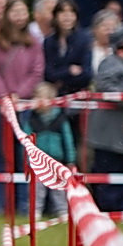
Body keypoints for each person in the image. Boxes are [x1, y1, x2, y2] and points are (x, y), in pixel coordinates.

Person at [0, 0, 45, 214]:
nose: (19, 16)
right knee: (1, 154)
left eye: (22, 12)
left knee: (23, 155)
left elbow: (36, 72)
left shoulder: (34, 42)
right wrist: (4, 96)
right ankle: (1, 203)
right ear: (7, 14)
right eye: (15, 11)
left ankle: (23, 203)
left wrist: (19, 95)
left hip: (24, 106)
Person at [88, 23, 123, 213]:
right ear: (122, 42)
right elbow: (104, 86)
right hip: (110, 134)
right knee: (109, 171)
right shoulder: (111, 62)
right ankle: (107, 209)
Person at [29, 83, 75, 219]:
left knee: (59, 189)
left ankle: (62, 212)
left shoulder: (60, 119)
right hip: (38, 160)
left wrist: (71, 160)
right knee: (37, 189)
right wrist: (27, 160)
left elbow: (68, 140)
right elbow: (26, 141)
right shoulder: (31, 119)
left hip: (57, 160)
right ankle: (36, 212)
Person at [42, 0, 93, 94]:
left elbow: (86, 74)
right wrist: (68, 70)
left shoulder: (84, 39)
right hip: (54, 95)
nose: (67, 17)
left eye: (71, 12)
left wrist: (61, 82)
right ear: (55, 16)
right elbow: (48, 73)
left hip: (77, 94)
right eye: (62, 12)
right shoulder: (49, 41)